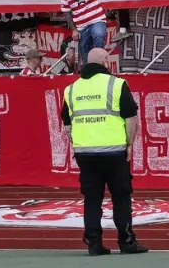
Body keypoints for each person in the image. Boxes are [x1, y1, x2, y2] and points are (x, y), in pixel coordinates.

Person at [58, 48, 146, 256]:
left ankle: (94, 243)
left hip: (85, 153)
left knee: (92, 198)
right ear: (105, 61)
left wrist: (78, 143)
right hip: (114, 151)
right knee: (121, 196)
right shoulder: (117, 84)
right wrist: (130, 143)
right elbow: (130, 117)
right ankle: (126, 241)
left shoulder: (71, 89)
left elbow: (67, 124)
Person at [60, 0, 107, 67]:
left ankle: (100, 63)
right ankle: (88, 71)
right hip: (82, 27)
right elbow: (67, 12)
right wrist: (74, 30)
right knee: (85, 54)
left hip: (97, 19)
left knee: (99, 35)